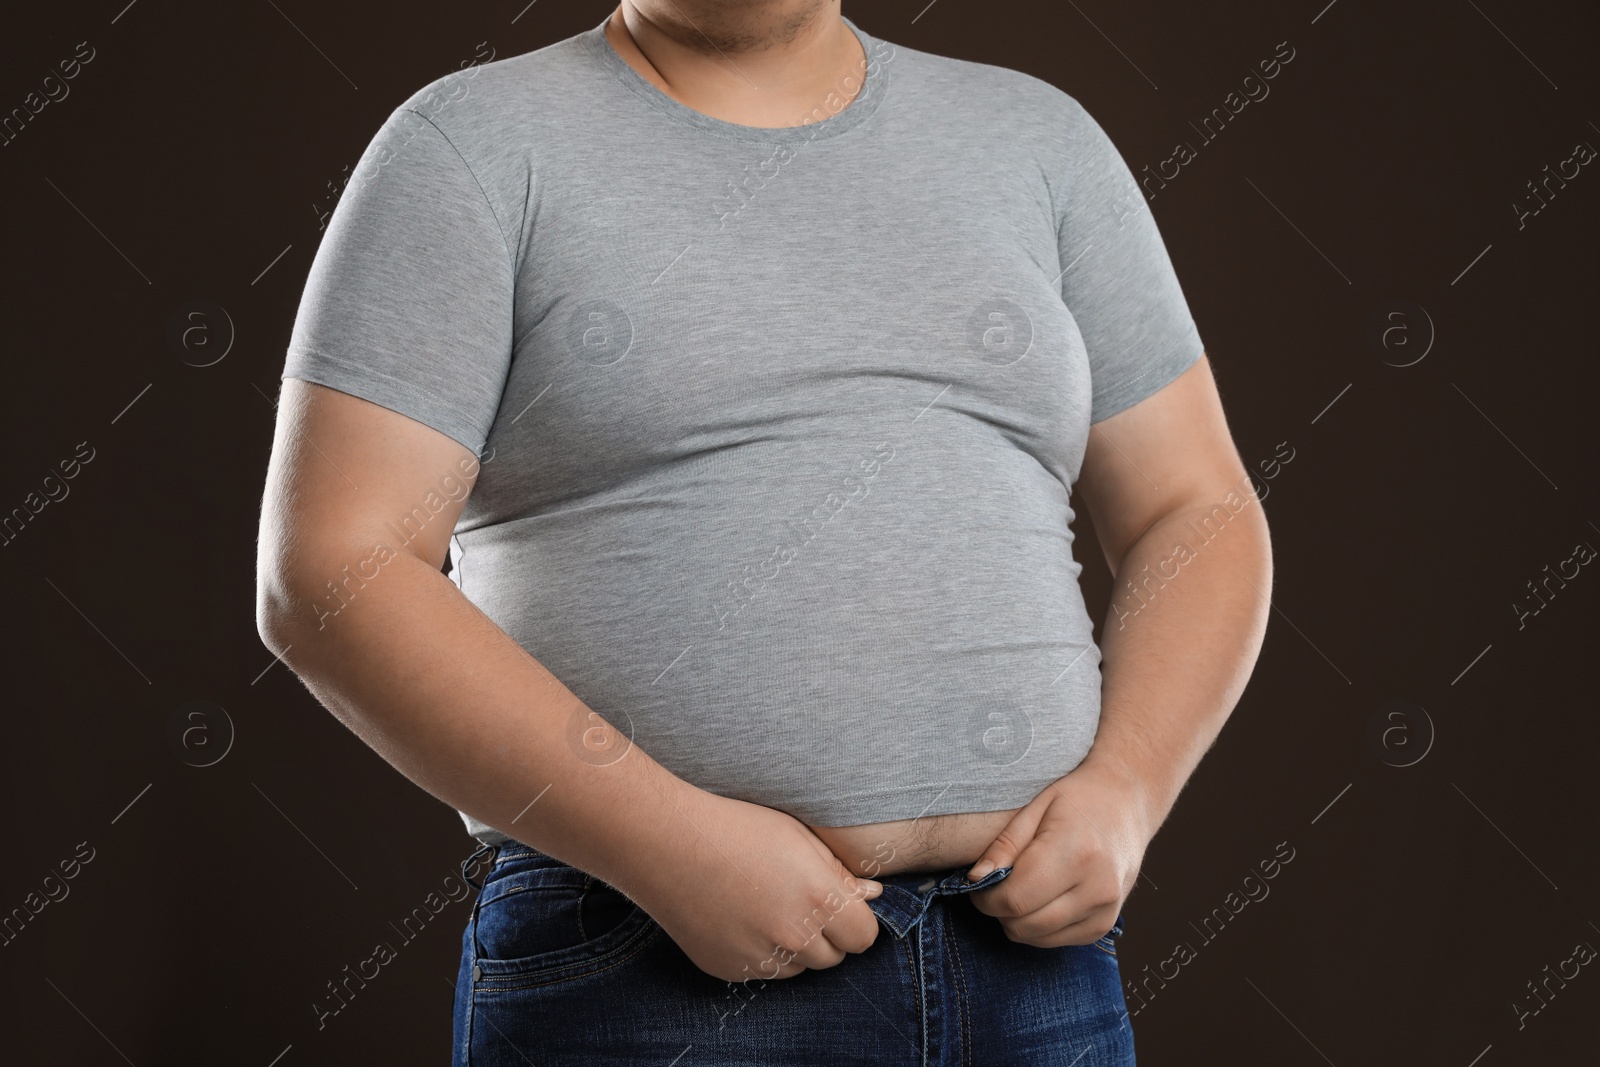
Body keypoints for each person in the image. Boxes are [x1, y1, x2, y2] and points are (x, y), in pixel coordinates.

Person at [254, 2, 1272, 1062]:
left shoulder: (1039, 140)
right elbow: (333, 569)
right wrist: (667, 846)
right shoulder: (469, 147)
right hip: (641, 959)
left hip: (1027, 969)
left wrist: (1126, 790)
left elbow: (1194, 508)